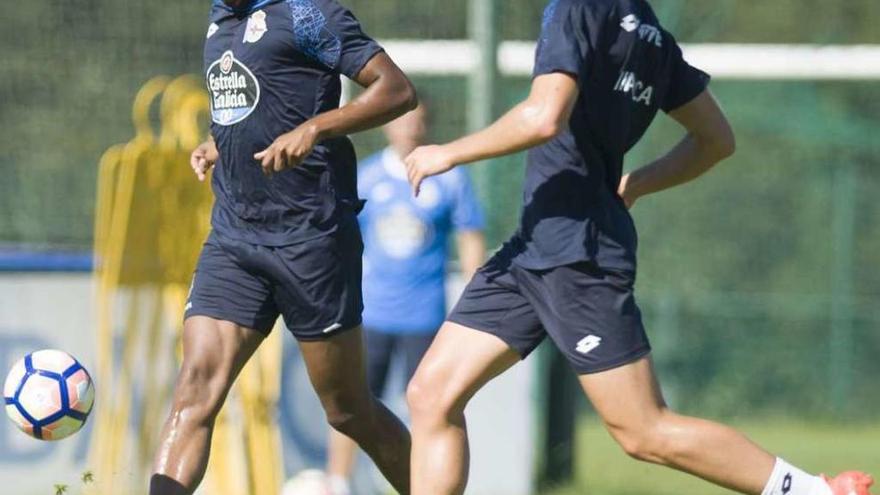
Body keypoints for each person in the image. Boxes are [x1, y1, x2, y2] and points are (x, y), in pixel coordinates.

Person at [402, 1, 875, 495]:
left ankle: (813, 492)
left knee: (644, 430)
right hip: (534, 247)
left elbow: (544, 117)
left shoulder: (576, 8)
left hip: (575, 254)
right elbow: (716, 139)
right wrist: (636, 184)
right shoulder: (651, 33)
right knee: (432, 393)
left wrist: (448, 152)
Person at [149, 1, 418, 494]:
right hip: (235, 236)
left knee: (348, 410)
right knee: (194, 388)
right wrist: (220, 142)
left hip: (310, 240)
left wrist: (316, 127)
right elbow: (255, 101)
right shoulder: (219, 19)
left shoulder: (307, 14)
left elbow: (397, 90)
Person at [322, 103, 486, 495]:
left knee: (434, 409)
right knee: (351, 405)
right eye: (401, 118)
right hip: (372, 315)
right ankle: (338, 484)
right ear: (387, 126)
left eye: (417, 118)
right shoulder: (367, 176)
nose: (409, 125)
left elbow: (470, 239)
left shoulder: (449, 178)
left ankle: (424, 486)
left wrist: (473, 302)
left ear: (427, 124)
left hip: (426, 318)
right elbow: (340, 239)